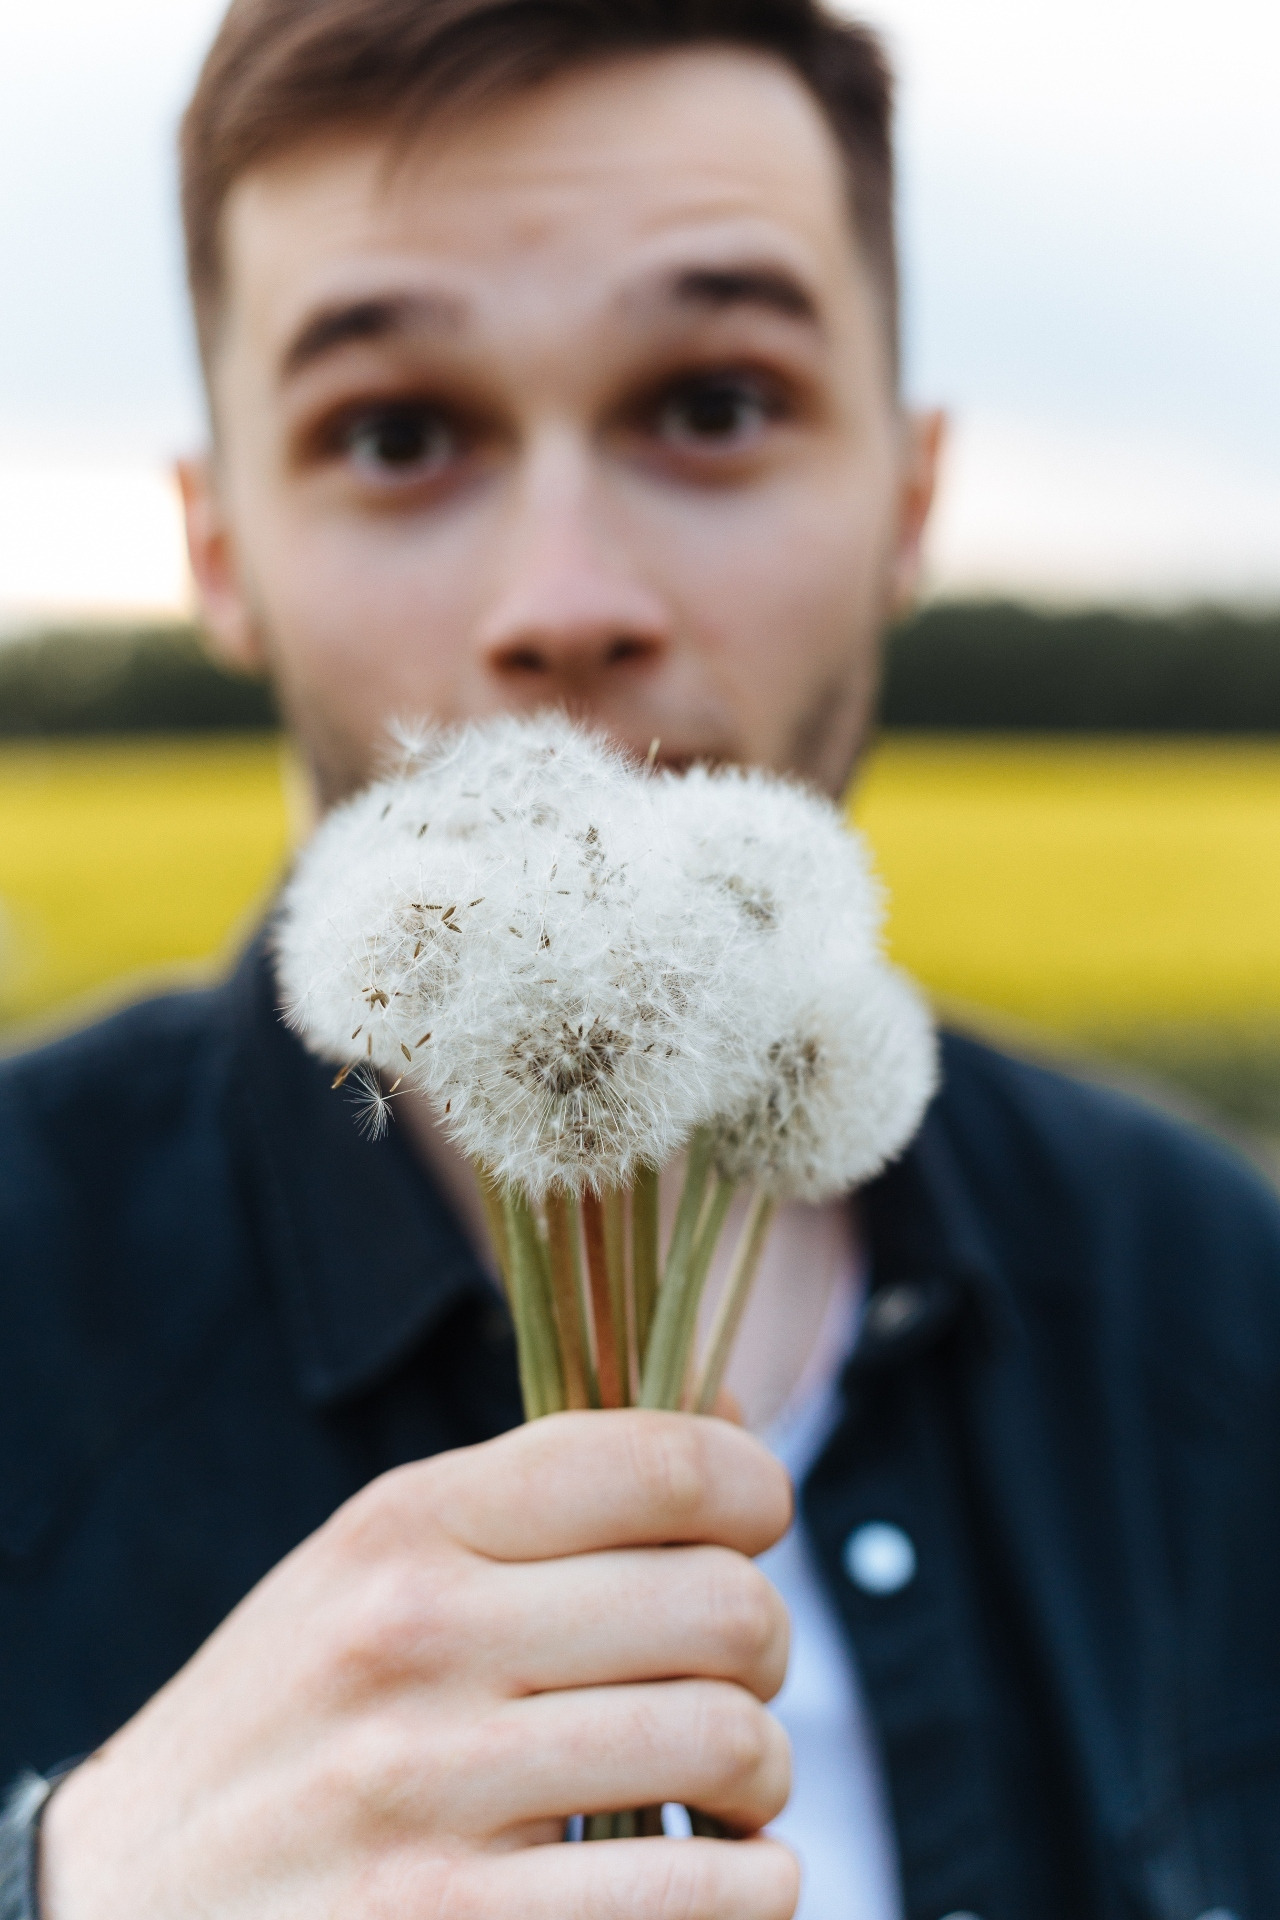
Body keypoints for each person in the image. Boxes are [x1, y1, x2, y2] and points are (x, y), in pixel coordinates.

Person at [2, 2, 1278, 1915]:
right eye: (397, 432)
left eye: (712, 403)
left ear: (909, 496)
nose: (566, 601)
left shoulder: (1218, 1302)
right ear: (220, 549)